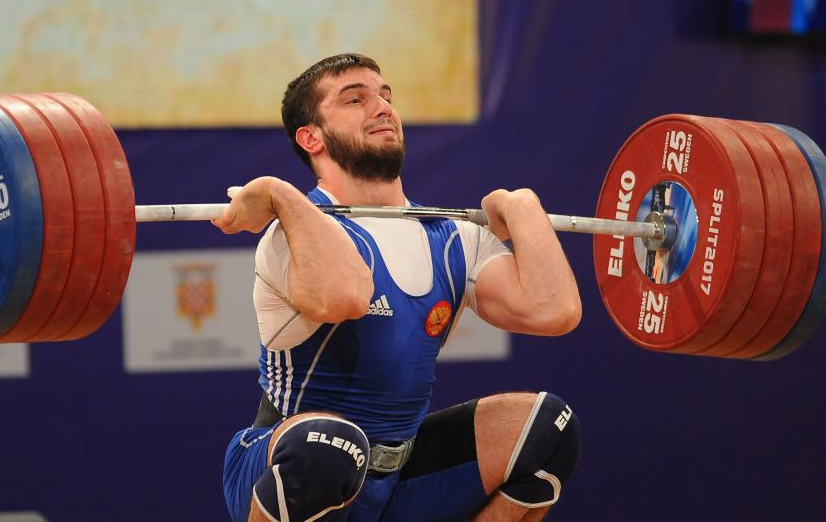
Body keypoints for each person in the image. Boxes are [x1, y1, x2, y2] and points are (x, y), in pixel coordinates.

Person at [213, 53, 583, 522]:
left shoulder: (453, 238)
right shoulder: (293, 233)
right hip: (288, 469)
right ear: (311, 137)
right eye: (355, 99)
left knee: (547, 429)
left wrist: (522, 205)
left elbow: (554, 311)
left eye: (386, 96)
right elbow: (344, 297)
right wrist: (279, 193)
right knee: (331, 448)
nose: (383, 107)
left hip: (400, 474)